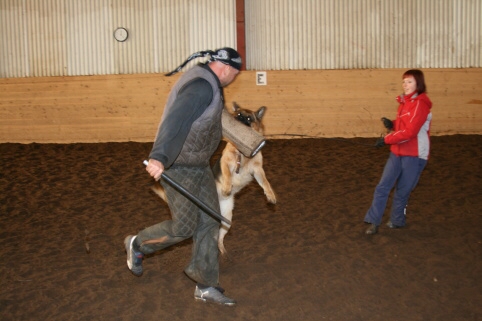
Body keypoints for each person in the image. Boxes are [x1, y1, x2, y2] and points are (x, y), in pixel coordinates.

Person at [124, 47, 242, 305]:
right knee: (184, 227)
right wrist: (159, 157)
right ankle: (137, 244)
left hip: (197, 164)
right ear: (228, 70)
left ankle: (205, 285)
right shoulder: (200, 86)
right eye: (235, 74)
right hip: (178, 166)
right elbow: (175, 121)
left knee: (210, 220)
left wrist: (246, 139)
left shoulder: (210, 82)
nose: (234, 78)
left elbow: (211, 118)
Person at [364, 69, 433, 235]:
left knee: (403, 191)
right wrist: (393, 124)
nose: (405, 85)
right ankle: (373, 221)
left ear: (418, 83)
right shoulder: (405, 102)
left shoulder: (421, 104)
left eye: (409, 82)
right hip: (397, 151)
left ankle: (397, 220)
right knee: (383, 187)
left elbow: (410, 132)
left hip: (414, 155)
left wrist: (387, 139)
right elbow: (405, 125)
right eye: (404, 82)